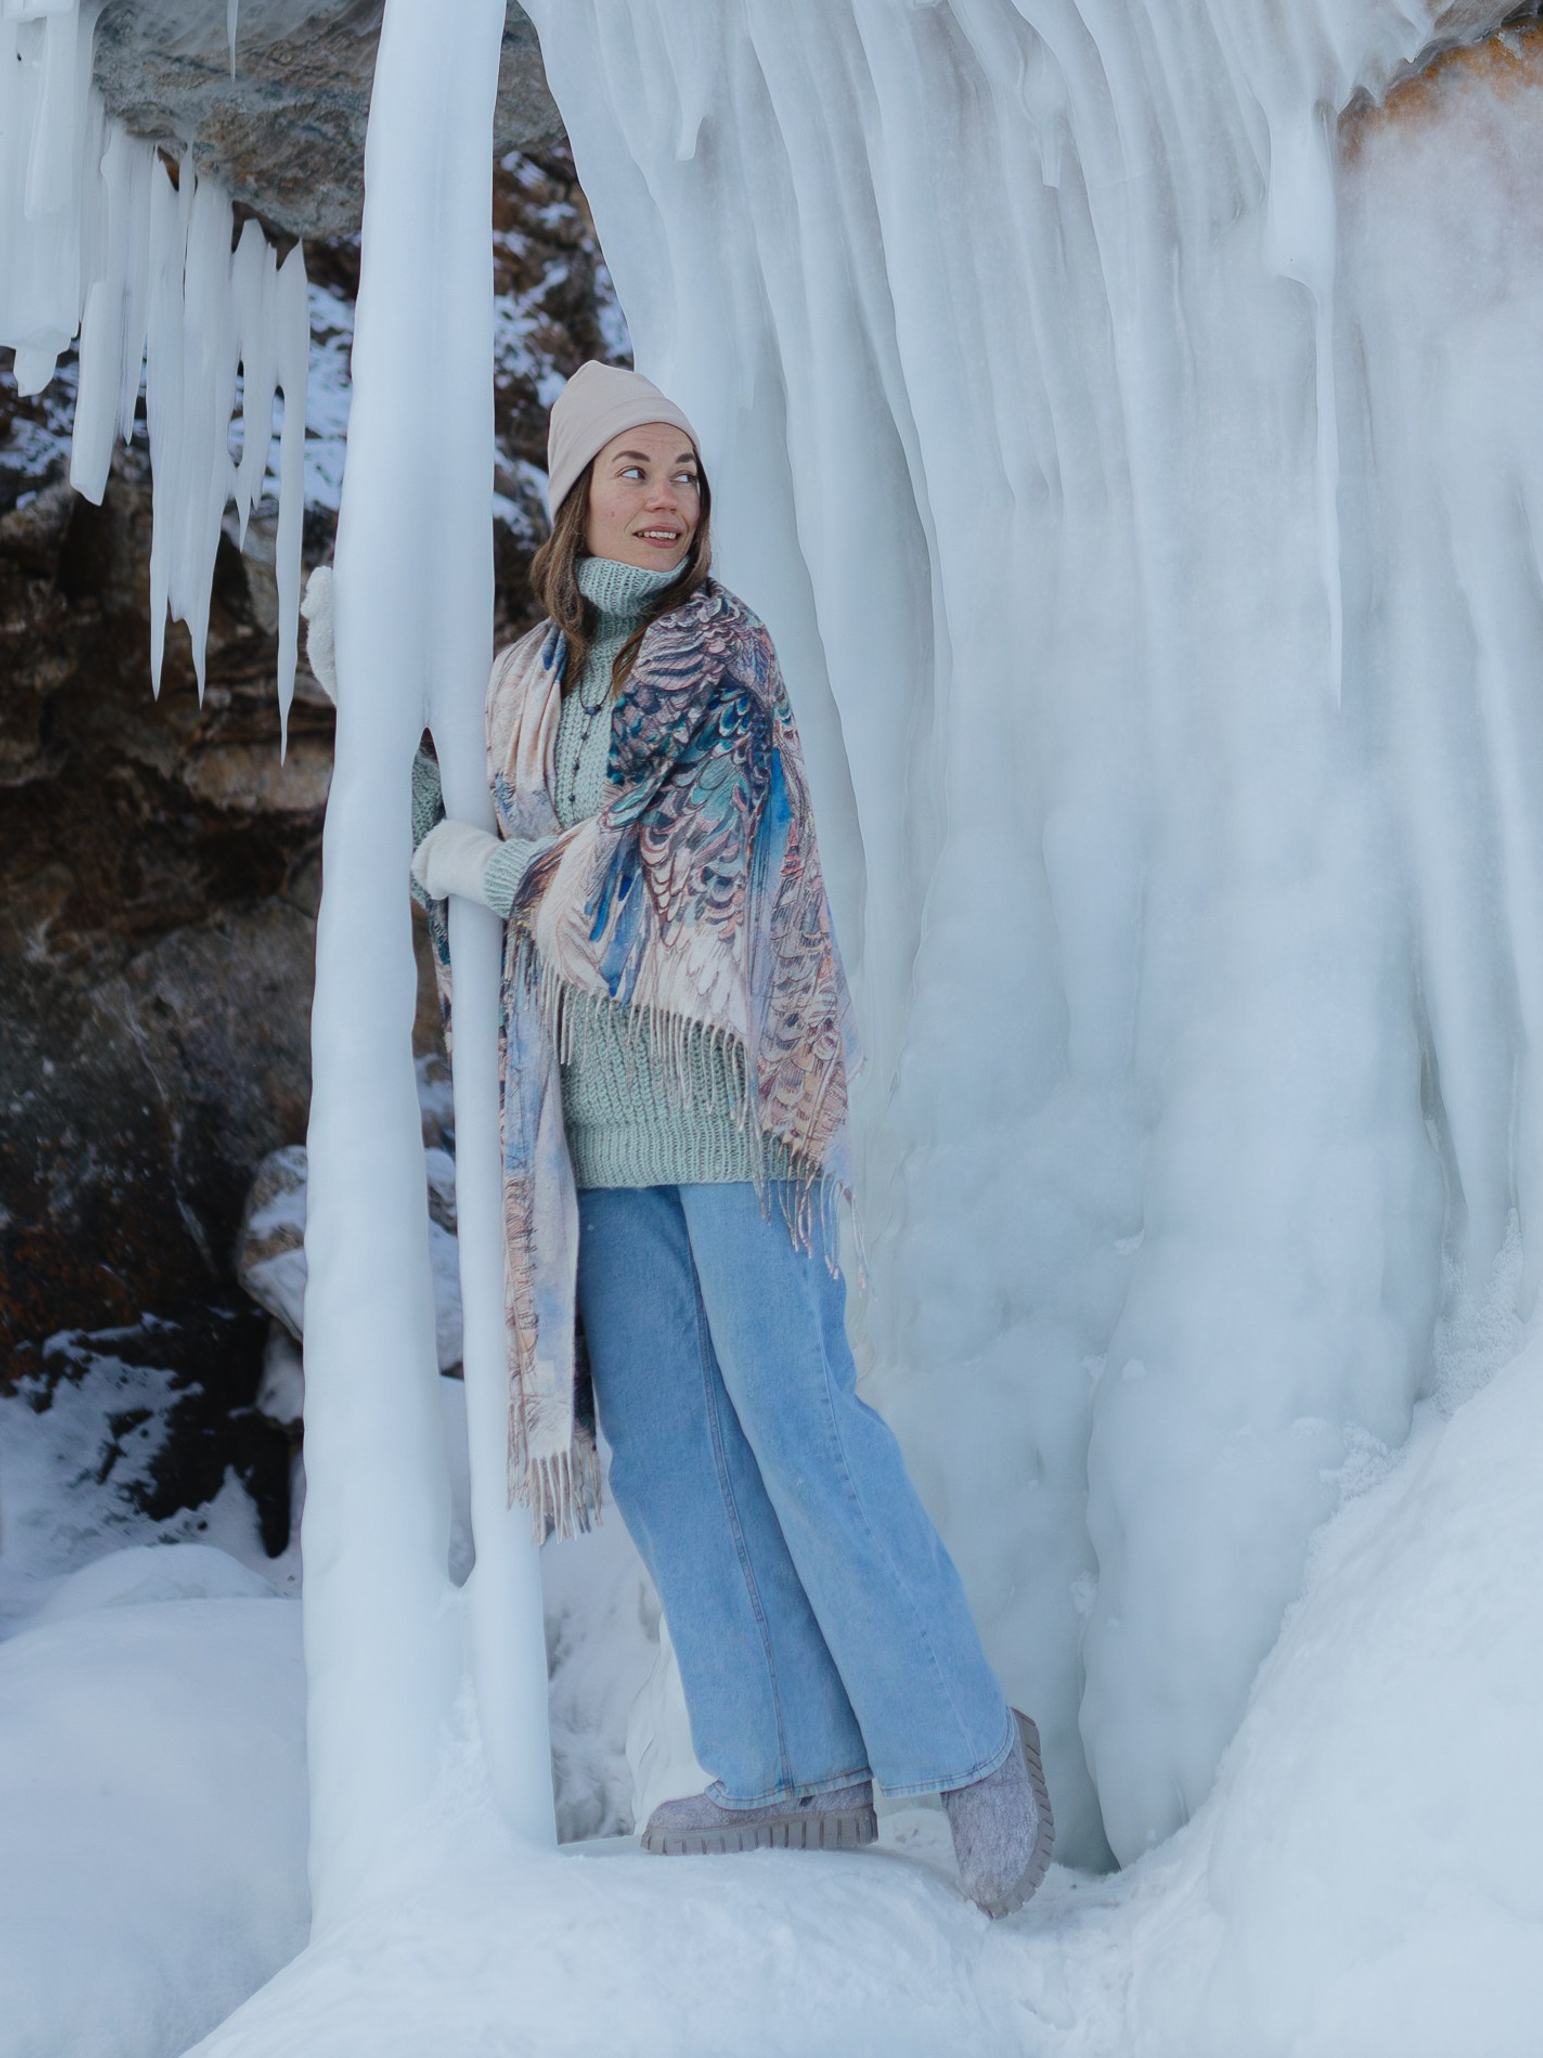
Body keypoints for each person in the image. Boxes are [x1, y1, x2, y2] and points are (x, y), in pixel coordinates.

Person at [406, 359, 1051, 1917]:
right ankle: (789, 1774)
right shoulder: (521, 683)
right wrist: (421, 779)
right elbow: (457, 800)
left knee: (800, 1417)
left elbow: (660, 876)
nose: (669, 495)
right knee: (676, 1465)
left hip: (740, 1110)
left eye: (685, 470)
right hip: (591, 1137)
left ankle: (973, 1752)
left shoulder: (722, 655)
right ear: (574, 498)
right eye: (634, 468)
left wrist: (481, 867)